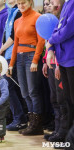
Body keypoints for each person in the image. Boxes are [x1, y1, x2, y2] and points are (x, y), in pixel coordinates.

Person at [8, 0, 45, 135]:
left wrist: (36, 59)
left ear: (30, 2)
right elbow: (15, 44)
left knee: (33, 91)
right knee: (24, 92)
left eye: (24, 2)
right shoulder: (17, 21)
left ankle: (37, 125)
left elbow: (41, 41)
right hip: (20, 58)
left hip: (31, 56)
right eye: (19, 3)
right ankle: (31, 122)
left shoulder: (37, 17)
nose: (21, 5)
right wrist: (11, 64)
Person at [46, 0, 74, 143]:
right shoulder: (67, 4)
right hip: (63, 59)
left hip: (71, 58)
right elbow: (58, 27)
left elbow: (69, 28)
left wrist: (51, 41)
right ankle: (67, 135)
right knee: (67, 100)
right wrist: (51, 48)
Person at [0, 0, 27, 131]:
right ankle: (20, 118)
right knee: (11, 87)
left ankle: (20, 118)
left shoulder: (18, 12)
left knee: (10, 87)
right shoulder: (11, 13)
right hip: (9, 55)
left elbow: (14, 36)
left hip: (15, 55)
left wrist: (1, 49)